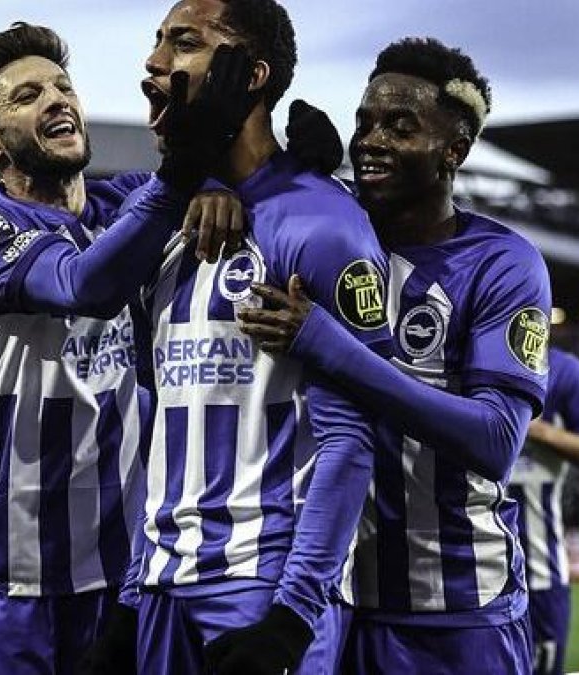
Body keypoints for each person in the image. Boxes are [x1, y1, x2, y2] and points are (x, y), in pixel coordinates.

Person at [0, 22, 257, 674]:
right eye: (26, 96)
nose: (56, 99)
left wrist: (236, 182)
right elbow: (85, 285)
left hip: (132, 587)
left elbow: (225, 193)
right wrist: (187, 178)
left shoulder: (125, 200)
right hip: (15, 590)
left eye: (62, 86)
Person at [85, 2, 392, 674]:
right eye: (157, 40)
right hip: (166, 586)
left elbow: (349, 441)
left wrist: (292, 617)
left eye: (184, 41)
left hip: (265, 583)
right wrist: (136, 597)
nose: (155, 60)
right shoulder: (159, 218)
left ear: (250, 74)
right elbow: (162, 426)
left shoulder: (323, 224)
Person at [236, 37, 551, 674]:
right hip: (334, 604)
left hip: (459, 612)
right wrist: (221, 187)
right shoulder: (332, 234)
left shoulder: (503, 264)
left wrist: (328, 344)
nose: (372, 140)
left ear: (453, 152)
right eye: (365, 123)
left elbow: (495, 441)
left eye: (400, 127)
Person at [508, 347, 579, 675]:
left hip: (540, 576)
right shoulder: (455, 354)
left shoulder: (563, 371)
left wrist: (537, 430)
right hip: (465, 578)